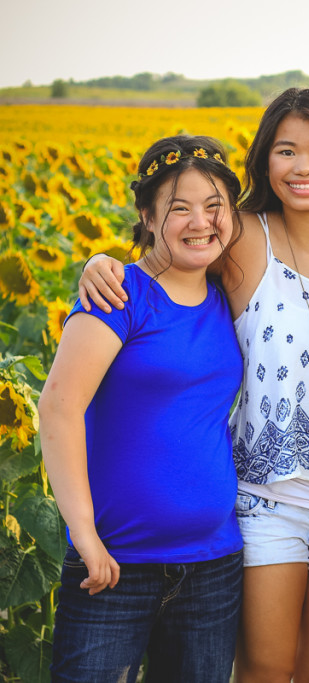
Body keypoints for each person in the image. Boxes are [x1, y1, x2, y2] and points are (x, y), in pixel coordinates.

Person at [77, 88, 309, 682]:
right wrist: (101, 260)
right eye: (285, 150)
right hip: (265, 498)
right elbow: (170, 253)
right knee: (264, 671)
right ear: (264, 160)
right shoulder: (244, 237)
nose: (303, 167)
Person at [40, 135, 244, 682]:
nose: (200, 222)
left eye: (214, 206)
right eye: (180, 208)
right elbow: (58, 408)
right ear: (148, 216)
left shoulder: (229, 290)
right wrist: (83, 534)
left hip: (212, 567)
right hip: (114, 565)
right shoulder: (119, 295)